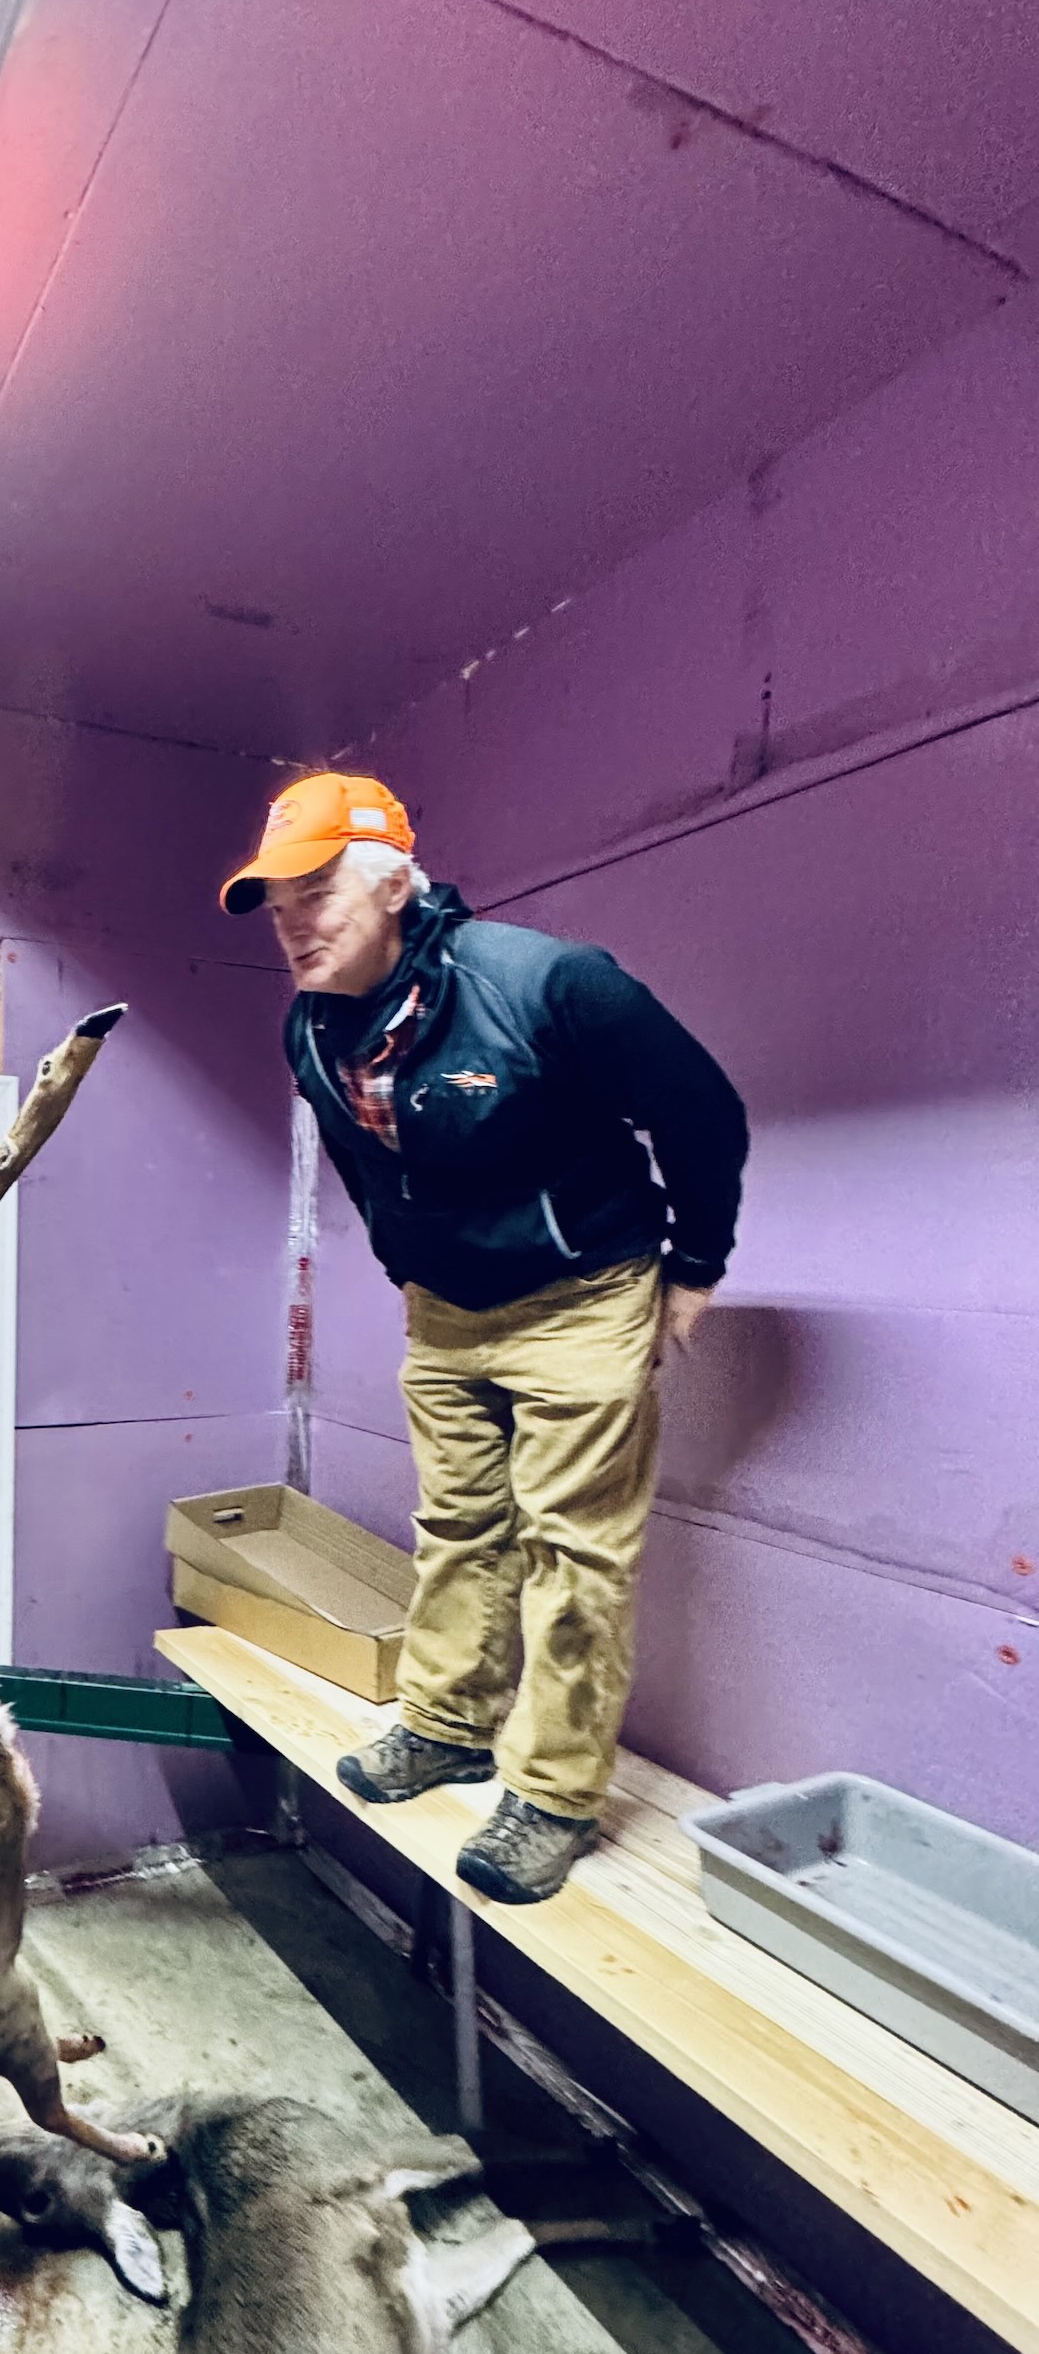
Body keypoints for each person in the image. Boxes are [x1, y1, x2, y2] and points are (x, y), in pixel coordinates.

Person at [220, 774, 747, 1904]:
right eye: (275, 905)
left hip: (580, 1294)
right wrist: (407, 1271)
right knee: (458, 1523)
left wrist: (695, 1268)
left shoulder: (547, 985)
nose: (292, 923)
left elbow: (704, 1114)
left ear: (393, 884)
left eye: (314, 891)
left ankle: (552, 1793)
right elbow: (364, 1169)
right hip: (447, 1311)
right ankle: (448, 1723)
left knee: (573, 1550)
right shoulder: (309, 1032)